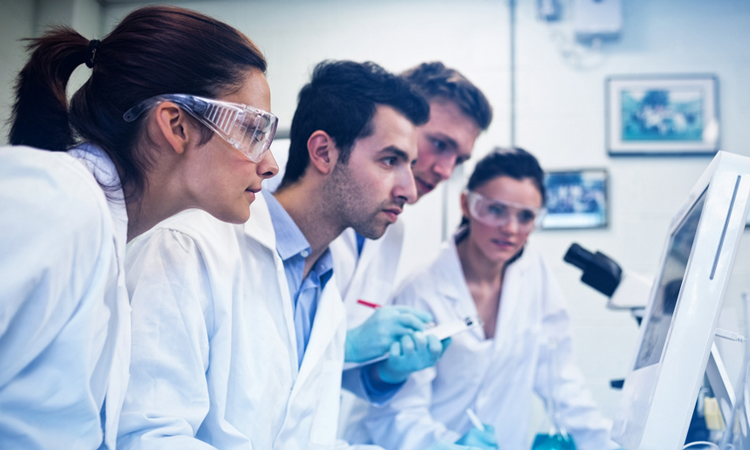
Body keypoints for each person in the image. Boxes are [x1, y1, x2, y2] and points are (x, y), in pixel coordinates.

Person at [117, 60, 471, 450]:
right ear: (323, 152)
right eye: (390, 161)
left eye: (411, 165)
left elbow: (298, 435)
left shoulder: (322, 283)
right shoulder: (187, 248)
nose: (410, 190)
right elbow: (148, 436)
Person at [0, 6, 277, 449]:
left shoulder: (106, 239)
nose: (269, 163)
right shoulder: (57, 199)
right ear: (176, 125)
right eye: (252, 130)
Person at [363, 148, 620, 450]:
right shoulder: (420, 292)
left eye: (525, 217)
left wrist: (610, 443)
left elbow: (561, 380)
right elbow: (396, 414)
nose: (511, 229)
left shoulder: (534, 274)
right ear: (466, 204)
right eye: (496, 210)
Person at [333, 62, 492, 443]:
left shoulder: (389, 231)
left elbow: (329, 376)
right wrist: (346, 343)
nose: (445, 169)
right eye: (440, 144)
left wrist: (385, 373)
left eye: (460, 159)